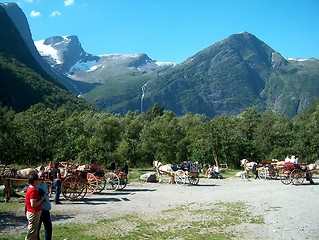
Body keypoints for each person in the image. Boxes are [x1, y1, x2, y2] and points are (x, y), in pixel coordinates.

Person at [25, 173, 44, 240]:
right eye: (38, 179)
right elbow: (33, 204)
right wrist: (41, 199)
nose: (39, 180)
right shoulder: (33, 191)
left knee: (33, 231)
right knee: (32, 232)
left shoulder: (30, 188)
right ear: (35, 180)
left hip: (32, 212)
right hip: (34, 212)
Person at [37, 171, 52, 240]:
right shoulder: (36, 186)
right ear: (38, 177)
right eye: (40, 177)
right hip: (39, 210)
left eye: (43, 176)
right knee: (37, 229)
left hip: (46, 209)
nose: (42, 178)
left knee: (48, 228)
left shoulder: (45, 184)